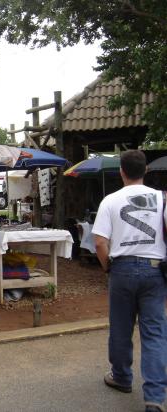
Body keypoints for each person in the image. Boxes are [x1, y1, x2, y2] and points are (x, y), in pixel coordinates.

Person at [92, 150, 167, 412]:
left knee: (121, 329)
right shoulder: (163, 199)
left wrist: (108, 269)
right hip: (156, 270)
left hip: (122, 269)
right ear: (146, 170)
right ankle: (155, 398)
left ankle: (122, 377)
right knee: (155, 333)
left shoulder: (110, 201)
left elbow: (100, 242)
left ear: (121, 171)